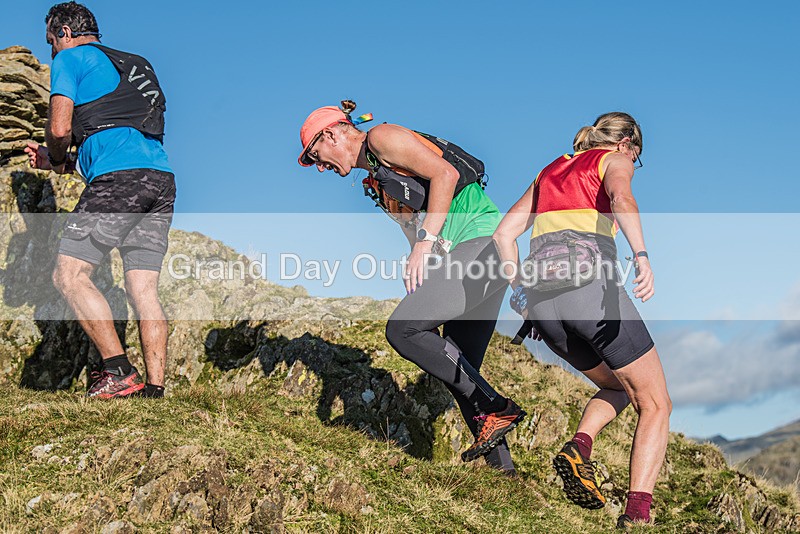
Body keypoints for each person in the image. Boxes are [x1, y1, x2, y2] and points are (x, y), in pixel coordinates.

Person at [297, 101, 525, 474]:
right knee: (457, 368)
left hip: (483, 244)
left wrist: (423, 244)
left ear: (331, 134)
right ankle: (505, 476)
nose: (320, 167)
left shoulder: (382, 137)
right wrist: (422, 280)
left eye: (314, 156)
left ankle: (499, 407)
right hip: (468, 257)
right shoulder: (376, 183)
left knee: (402, 330)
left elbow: (446, 175)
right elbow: (416, 230)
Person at [493, 112, 671, 528]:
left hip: (543, 309)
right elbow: (622, 199)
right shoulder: (614, 159)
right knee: (656, 403)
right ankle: (637, 516)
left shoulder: (549, 170)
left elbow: (503, 235)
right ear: (626, 143)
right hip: (590, 293)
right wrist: (642, 256)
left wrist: (520, 293)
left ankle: (580, 446)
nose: (634, 163)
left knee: (618, 387)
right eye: (637, 156)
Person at [24, 2, 175, 399]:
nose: (51, 51)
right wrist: (68, 162)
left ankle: (118, 371)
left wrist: (57, 156)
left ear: (64, 33)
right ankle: (155, 389)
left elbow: (60, 128)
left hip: (118, 178)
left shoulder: (70, 58)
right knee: (143, 289)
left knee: (69, 274)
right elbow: (119, 132)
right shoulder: (137, 63)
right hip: (159, 179)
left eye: (51, 42)